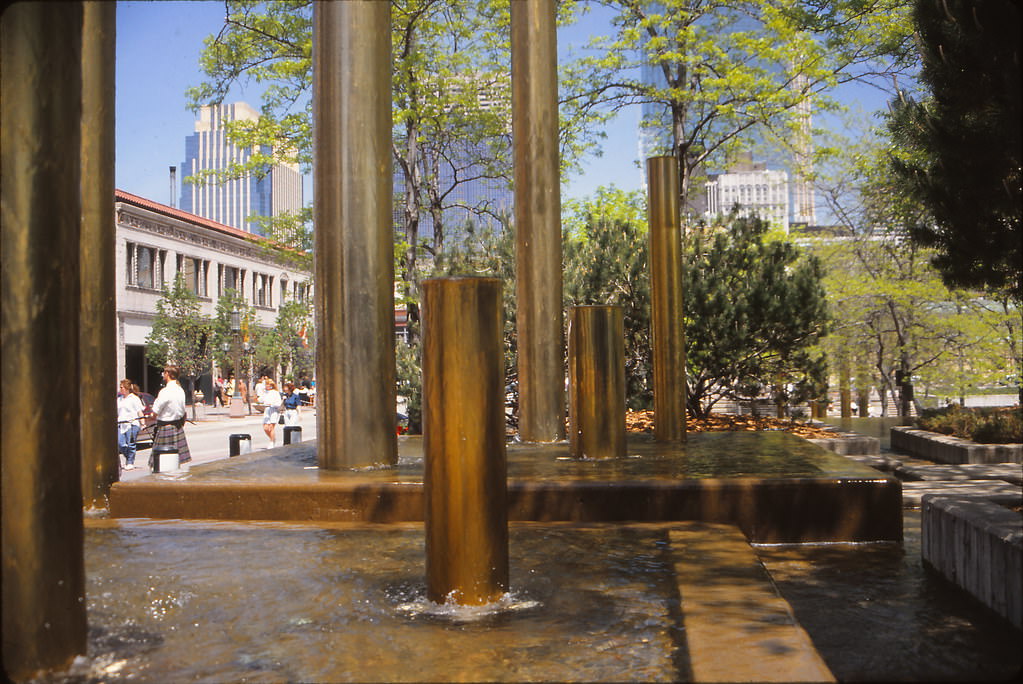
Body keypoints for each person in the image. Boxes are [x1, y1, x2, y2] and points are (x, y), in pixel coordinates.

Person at [150, 365, 191, 467]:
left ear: (168, 374)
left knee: (160, 464)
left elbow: (155, 412)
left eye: (164, 372)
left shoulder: (165, 391)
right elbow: (183, 412)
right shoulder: (180, 390)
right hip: (177, 427)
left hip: (165, 428)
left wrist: (151, 415)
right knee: (176, 463)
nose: (163, 374)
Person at [116, 378, 145, 470]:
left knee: (131, 444)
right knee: (120, 443)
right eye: (120, 387)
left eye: (122, 387)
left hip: (132, 423)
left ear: (127, 388)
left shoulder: (134, 398)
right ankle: (128, 457)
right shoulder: (119, 399)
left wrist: (142, 423)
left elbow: (139, 412)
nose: (120, 389)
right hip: (121, 423)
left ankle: (130, 462)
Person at [261, 379, 283, 447]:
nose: (266, 386)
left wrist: (272, 404)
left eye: (267, 384)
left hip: (273, 411)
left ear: (271, 385)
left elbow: (278, 403)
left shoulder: (275, 393)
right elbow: (262, 400)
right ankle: (272, 438)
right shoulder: (265, 393)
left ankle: (271, 442)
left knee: (271, 427)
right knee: (265, 427)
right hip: (267, 410)